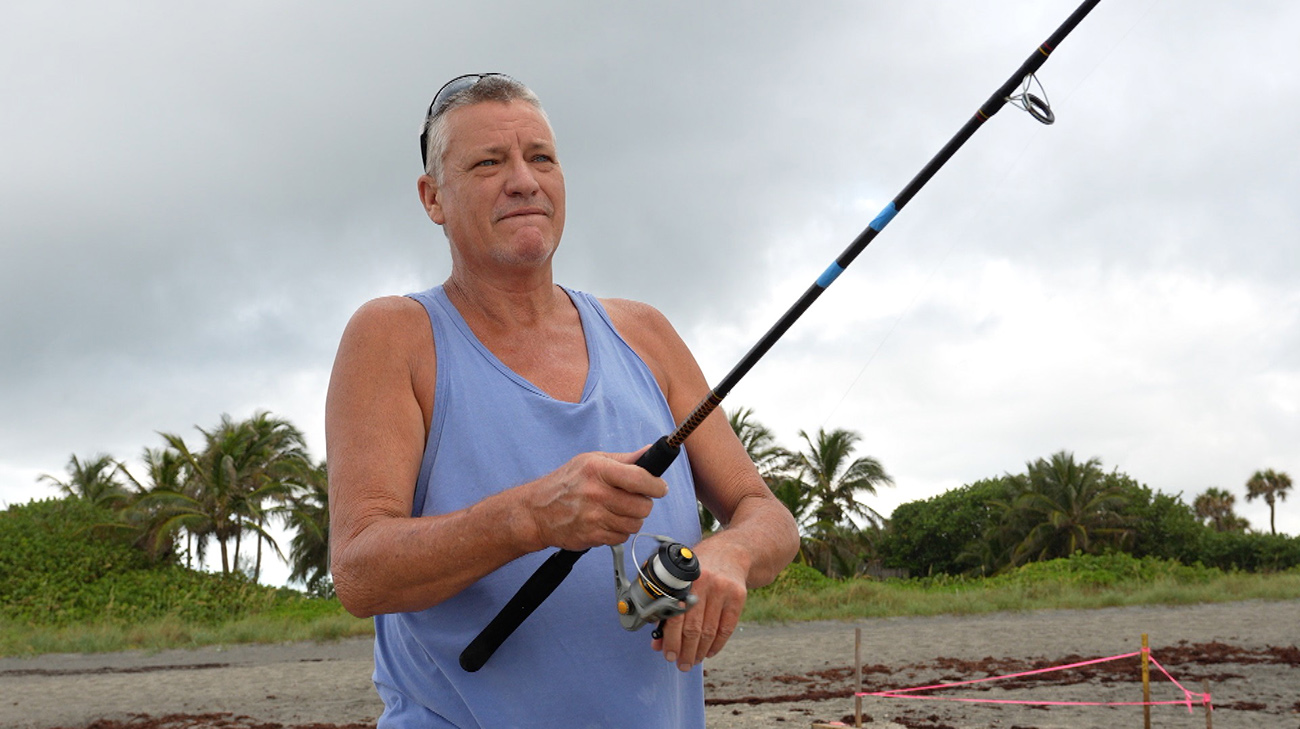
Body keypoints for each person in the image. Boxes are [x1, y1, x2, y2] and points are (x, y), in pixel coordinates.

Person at [326, 73, 800, 728]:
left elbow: (767, 514)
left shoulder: (646, 333)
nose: (523, 180)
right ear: (433, 198)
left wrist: (732, 553)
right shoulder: (391, 335)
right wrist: (530, 516)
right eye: (489, 163)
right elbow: (360, 571)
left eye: (541, 158)